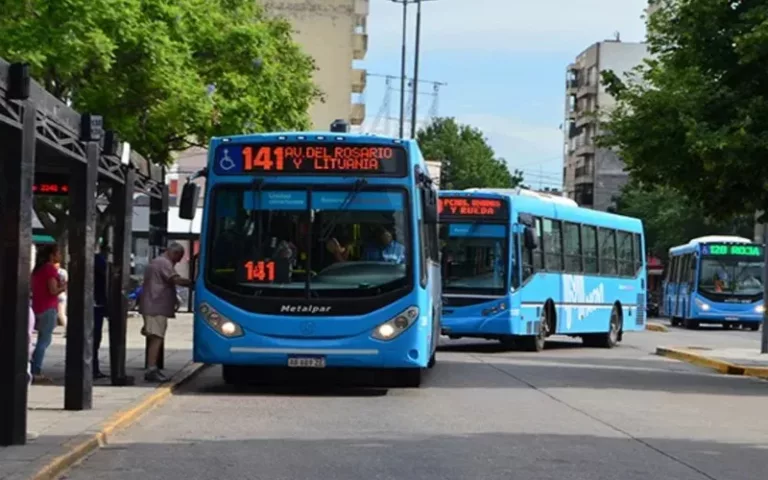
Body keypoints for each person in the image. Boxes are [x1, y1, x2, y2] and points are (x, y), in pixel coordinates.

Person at [139, 243, 193, 382]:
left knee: (155, 337)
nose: (179, 261)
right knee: (156, 338)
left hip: (155, 306)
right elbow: (175, 279)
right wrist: (195, 282)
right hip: (156, 306)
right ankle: (151, 369)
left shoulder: (158, 262)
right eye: (178, 257)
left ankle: (152, 367)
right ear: (173, 253)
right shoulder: (164, 263)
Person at [30, 244, 67, 383]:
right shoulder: (50, 269)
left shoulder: (37, 270)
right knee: (44, 341)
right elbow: (53, 290)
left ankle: (33, 367)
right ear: (51, 255)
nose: (60, 256)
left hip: (37, 307)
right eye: (58, 253)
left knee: (40, 340)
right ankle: (36, 370)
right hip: (48, 308)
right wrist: (64, 286)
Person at [93, 244, 109, 379]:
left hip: (96, 304)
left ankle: (94, 367)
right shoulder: (99, 262)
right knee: (94, 338)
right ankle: (93, 368)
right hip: (97, 304)